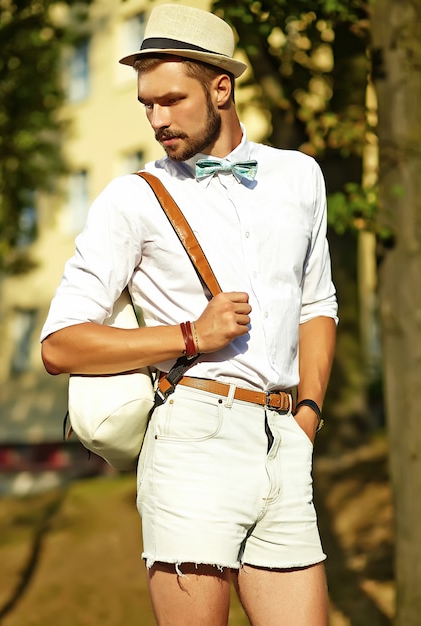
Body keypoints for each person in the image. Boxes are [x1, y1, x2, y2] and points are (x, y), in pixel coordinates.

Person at [41, 4, 338, 625]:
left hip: (283, 437)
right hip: (194, 437)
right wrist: (188, 334)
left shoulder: (300, 176)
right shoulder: (132, 199)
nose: (157, 119)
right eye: (147, 104)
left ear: (221, 87)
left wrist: (306, 417)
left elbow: (316, 304)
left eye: (172, 100)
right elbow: (60, 345)